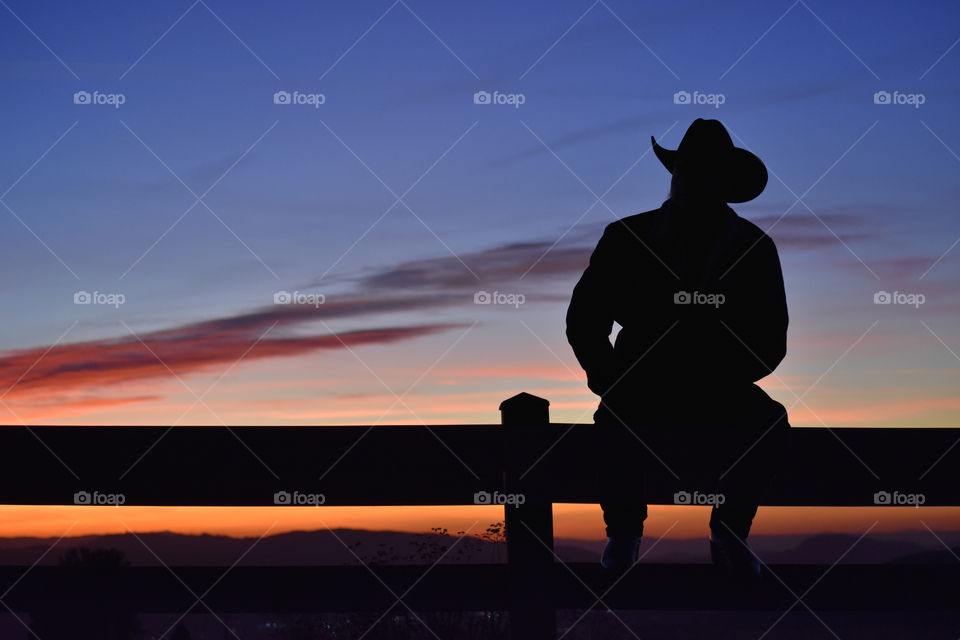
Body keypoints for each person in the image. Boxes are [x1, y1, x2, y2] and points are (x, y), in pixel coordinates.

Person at [565, 119, 790, 575]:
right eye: (688, 171)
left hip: (720, 388)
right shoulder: (626, 237)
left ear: (724, 181)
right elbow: (585, 320)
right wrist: (611, 378)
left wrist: (720, 372)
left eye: (706, 172)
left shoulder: (754, 247)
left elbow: (771, 337)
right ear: (676, 175)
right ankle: (624, 533)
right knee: (615, 423)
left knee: (768, 424)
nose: (694, 181)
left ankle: (729, 531)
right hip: (640, 384)